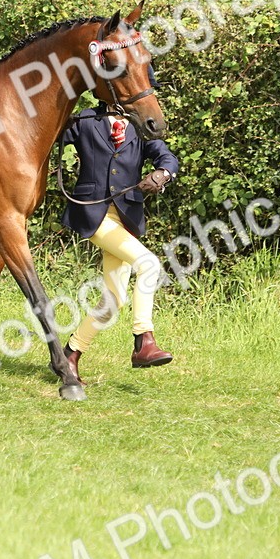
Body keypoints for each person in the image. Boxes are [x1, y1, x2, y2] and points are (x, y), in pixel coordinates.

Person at [58, 97, 179, 383]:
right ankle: (143, 341)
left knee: (113, 302)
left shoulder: (139, 125)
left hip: (126, 217)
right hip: (93, 213)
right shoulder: (87, 119)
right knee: (148, 264)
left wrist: (162, 174)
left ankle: (70, 354)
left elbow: (167, 157)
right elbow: (51, 133)